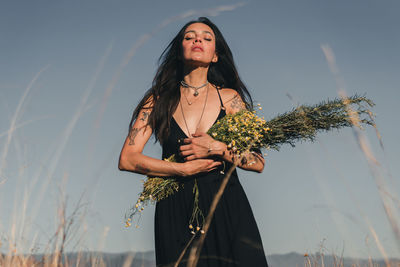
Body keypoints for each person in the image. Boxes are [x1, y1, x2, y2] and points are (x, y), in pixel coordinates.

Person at [119, 17, 268, 267]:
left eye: (207, 38)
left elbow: (257, 161)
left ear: (215, 56)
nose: (198, 39)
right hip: (175, 209)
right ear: (179, 51)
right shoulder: (156, 100)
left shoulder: (230, 99)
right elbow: (127, 159)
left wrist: (217, 148)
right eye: (189, 36)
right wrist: (183, 169)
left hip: (227, 205)